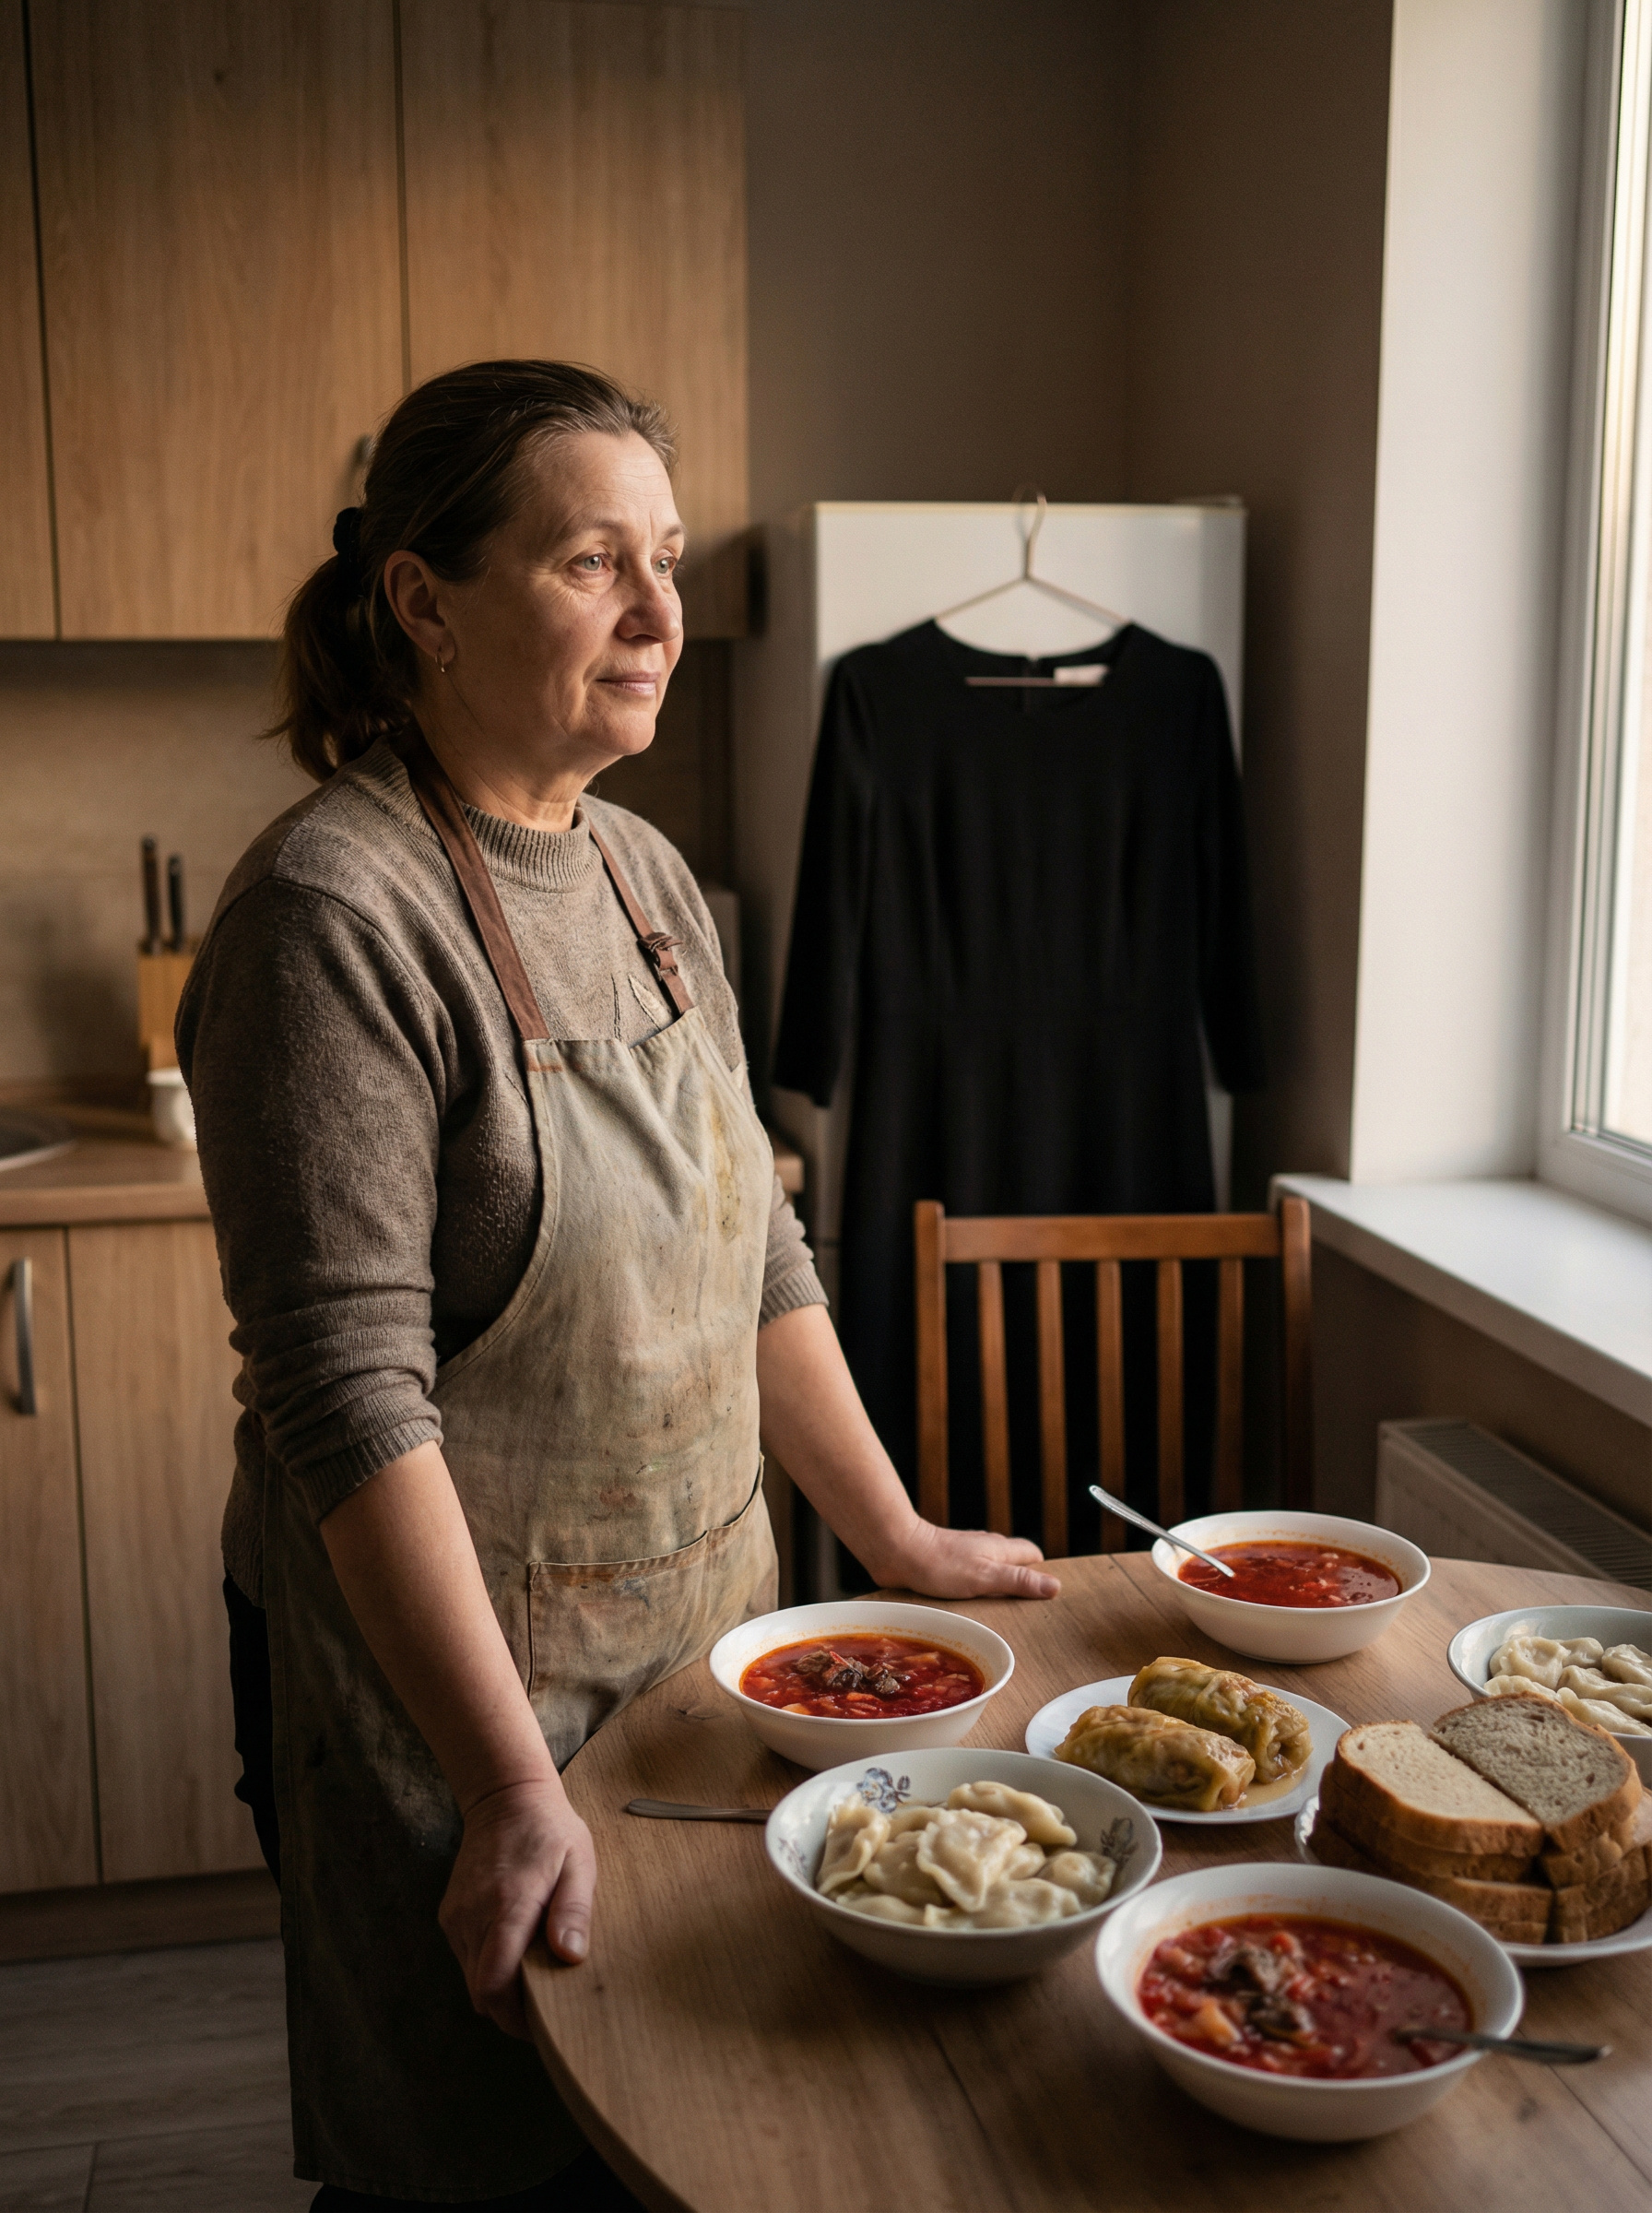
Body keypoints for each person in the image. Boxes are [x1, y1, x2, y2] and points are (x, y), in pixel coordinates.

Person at [177, 361, 1058, 2210]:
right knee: (479, 2154)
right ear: (422, 599)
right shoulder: (332, 921)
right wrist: (508, 1789)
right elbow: (345, 1396)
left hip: (702, 1657)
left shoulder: (652, 878)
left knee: (716, 2123)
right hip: (461, 1698)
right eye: (596, 563)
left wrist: (891, 1540)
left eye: (664, 558)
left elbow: (754, 1249)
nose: (663, 613)